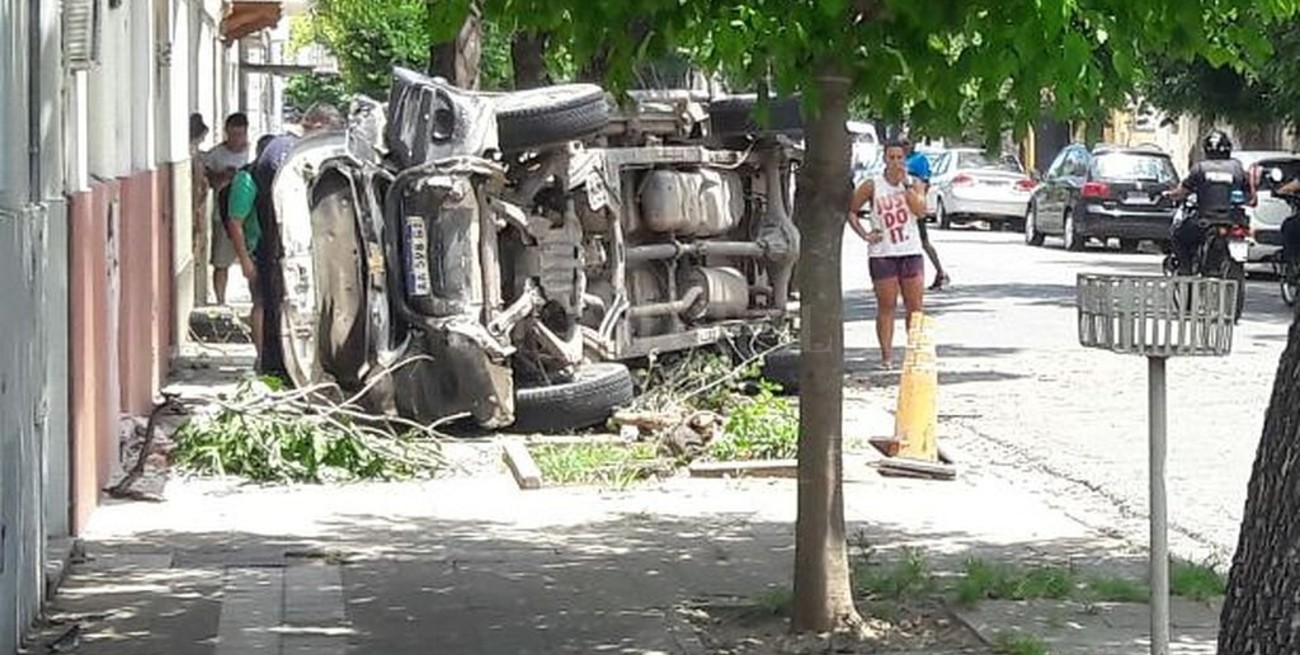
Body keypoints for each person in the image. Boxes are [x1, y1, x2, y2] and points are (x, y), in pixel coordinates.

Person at [248, 103, 346, 377]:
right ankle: (281, 370)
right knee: (283, 310)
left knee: (279, 307)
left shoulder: (279, 149)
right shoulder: (285, 153)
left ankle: (278, 368)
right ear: (315, 126)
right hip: (283, 249)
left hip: (278, 248)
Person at [847, 138, 930, 370]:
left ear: (905, 159)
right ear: (884, 158)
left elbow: (921, 211)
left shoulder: (915, 183)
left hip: (910, 251)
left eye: (899, 158)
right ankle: (887, 356)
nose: (895, 162)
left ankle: (914, 354)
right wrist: (865, 234)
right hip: (883, 253)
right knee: (887, 305)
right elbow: (852, 211)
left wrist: (906, 185)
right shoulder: (872, 185)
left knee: (915, 306)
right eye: (891, 157)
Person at [1165, 130, 1254, 275]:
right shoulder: (1238, 168)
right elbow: (1250, 197)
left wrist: (1169, 195)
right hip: (1234, 221)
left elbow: (1182, 192)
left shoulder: (1200, 168)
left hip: (1205, 220)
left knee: (1178, 236)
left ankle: (1185, 271)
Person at [222, 134, 275, 361]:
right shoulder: (247, 178)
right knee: (261, 301)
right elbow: (235, 221)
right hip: (257, 250)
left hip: (279, 251)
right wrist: (244, 260)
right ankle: (262, 358)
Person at [202, 112, 252, 305]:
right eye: (233, 135)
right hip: (222, 215)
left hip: (249, 215)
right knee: (221, 261)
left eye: (240, 135)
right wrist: (222, 176)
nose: (236, 140)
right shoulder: (216, 155)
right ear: (226, 133)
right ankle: (221, 301)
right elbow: (207, 180)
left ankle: (254, 298)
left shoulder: (253, 152)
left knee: (251, 259)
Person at [900, 135, 951, 291]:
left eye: (907, 144)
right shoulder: (898, 160)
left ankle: (940, 272)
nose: (904, 147)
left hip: (914, 206)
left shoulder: (919, 160)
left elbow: (925, 183)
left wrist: (918, 201)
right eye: (902, 144)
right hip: (900, 207)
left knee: (923, 242)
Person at [189, 113, 211, 281]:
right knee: (196, 235)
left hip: (198, 202)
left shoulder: (197, 156)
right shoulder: (193, 157)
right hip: (194, 203)